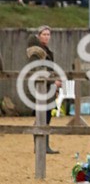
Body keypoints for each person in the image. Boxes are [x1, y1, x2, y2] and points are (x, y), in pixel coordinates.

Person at [25, 25, 62, 153]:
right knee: (42, 117)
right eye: (44, 34)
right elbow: (38, 70)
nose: (46, 36)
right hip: (40, 88)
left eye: (48, 34)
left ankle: (43, 145)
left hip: (47, 87)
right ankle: (40, 145)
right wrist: (53, 82)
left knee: (46, 116)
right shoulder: (37, 51)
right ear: (39, 36)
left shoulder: (45, 50)